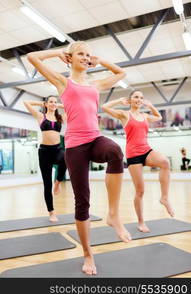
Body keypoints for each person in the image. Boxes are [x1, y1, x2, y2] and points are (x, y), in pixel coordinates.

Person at [27, 41, 131, 276]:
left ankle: (113, 215)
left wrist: (100, 61)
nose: (85, 57)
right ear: (71, 58)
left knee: (115, 151)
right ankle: (87, 253)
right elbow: (32, 58)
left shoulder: (96, 83)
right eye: (81, 54)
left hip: (94, 139)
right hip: (75, 147)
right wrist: (59, 53)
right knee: (82, 202)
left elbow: (122, 72)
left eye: (88, 55)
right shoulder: (63, 82)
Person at [102, 90, 174, 233]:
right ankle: (141, 222)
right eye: (136, 97)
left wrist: (150, 105)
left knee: (165, 162)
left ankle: (164, 198)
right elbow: (104, 107)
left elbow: (159, 116)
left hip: (146, 151)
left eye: (141, 97)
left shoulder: (145, 116)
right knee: (140, 191)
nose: (139, 99)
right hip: (133, 155)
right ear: (130, 100)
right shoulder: (124, 115)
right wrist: (118, 101)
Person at [23, 96, 67, 222]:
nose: (54, 104)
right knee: (47, 184)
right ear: (46, 104)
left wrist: (57, 105)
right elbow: (26, 101)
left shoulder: (60, 118)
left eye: (55, 102)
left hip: (58, 149)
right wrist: (43, 103)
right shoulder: (40, 116)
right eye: (51, 102)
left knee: (66, 159)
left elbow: (71, 107)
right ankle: (51, 212)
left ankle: (57, 183)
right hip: (45, 152)